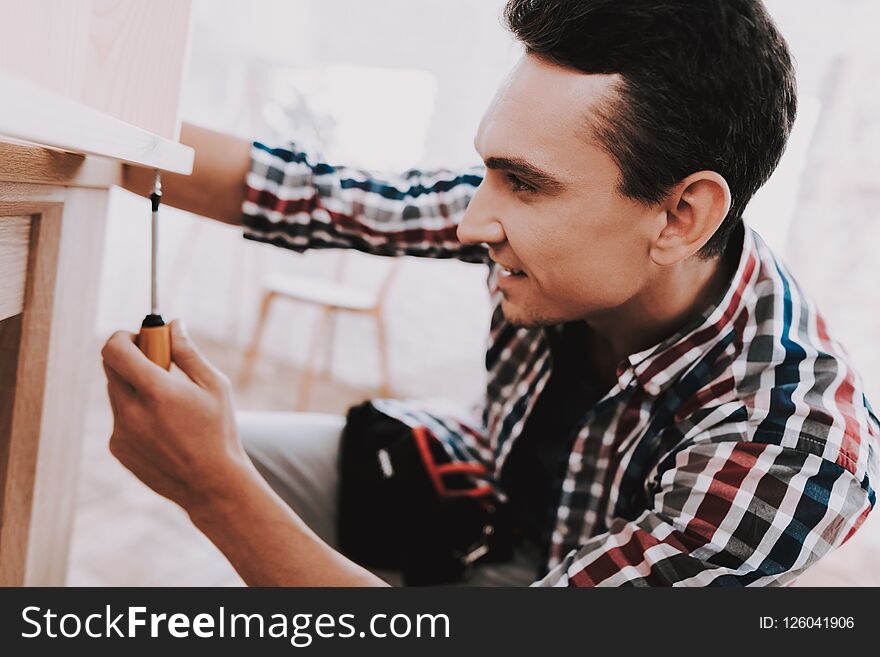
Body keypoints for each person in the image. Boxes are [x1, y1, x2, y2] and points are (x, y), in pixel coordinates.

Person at [103, 0, 878, 587]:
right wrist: (110, 130)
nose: (474, 220)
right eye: (488, 169)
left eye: (524, 184)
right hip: (488, 492)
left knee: (218, 472)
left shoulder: (795, 449)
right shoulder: (560, 222)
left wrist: (217, 492)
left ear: (680, 214)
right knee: (222, 448)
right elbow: (314, 193)